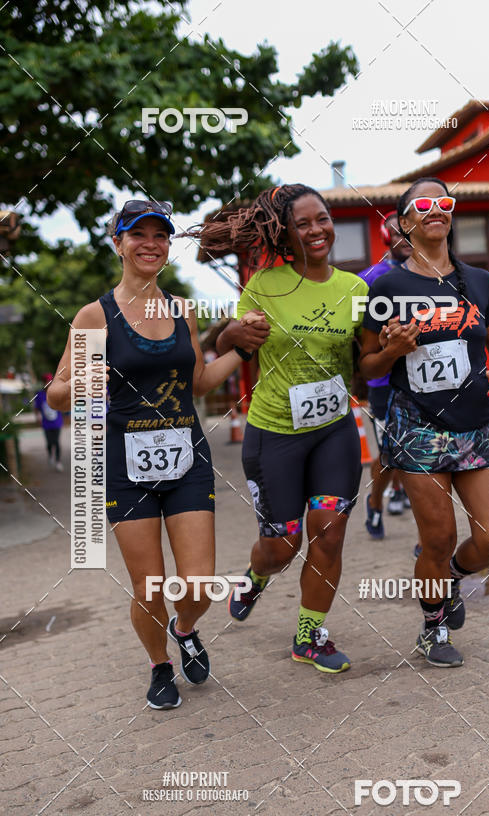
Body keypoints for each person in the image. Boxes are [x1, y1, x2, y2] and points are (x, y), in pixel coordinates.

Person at [47, 199, 265, 709]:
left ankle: (184, 628)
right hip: (125, 467)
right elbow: (56, 394)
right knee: (148, 586)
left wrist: (242, 349)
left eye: (160, 235)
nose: (150, 244)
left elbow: (199, 383)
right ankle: (160, 665)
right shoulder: (94, 316)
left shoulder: (181, 309)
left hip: (187, 459)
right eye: (138, 234)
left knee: (199, 585)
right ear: (118, 243)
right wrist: (80, 383)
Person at [203, 183, 369, 673]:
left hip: (334, 430)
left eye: (323, 219)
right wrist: (230, 334)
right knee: (282, 547)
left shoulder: (356, 289)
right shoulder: (264, 285)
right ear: (285, 232)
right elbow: (230, 344)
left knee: (329, 534)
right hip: (275, 432)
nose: (317, 230)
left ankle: (308, 636)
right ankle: (257, 574)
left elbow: (367, 360)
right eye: (303, 223)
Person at [360, 177, 489, 667]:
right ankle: (432, 627)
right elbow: (367, 366)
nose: (436, 209)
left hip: (475, 427)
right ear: (405, 222)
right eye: (423, 204)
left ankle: (452, 578)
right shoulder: (386, 287)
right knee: (437, 537)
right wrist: (393, 351)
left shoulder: (480, 282)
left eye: (444, 201)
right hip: (417, 427)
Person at [358, 213, 412, 539]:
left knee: (419, 449)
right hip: (384, 382)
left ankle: (427, 539)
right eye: (398, 233)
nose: (405, 238)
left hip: (422, 381)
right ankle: (375, 501)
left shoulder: (433, 274)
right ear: (385, 237)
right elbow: (355, 331)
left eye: (410, 232)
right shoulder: (369, 278)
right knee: (391, 452)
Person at [35, 373, 64, 471]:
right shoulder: (40, 395)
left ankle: (58, 461)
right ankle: (50, 455)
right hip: (46, 423)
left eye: (50, 382)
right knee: (49, 442)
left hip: (57, 422)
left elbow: (62, 405)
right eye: (46, 382)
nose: (48, 383)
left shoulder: (56, 393)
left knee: (56, 442)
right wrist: (38, 418)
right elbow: (37, 408)